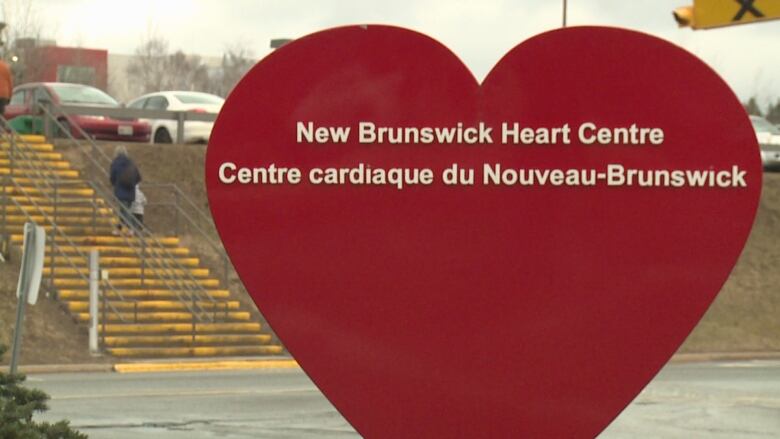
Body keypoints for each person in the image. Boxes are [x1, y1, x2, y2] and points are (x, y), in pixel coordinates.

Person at [109, 145, 141, 235]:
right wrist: (131, 183)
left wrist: (115, 184)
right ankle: (118, 229)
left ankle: (131, 228)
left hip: (120, 190)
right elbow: (138, 177)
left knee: (125, 211)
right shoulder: (131, 163)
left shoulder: (115, 163)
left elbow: (112, 177)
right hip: (131, 191)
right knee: (124, 210)